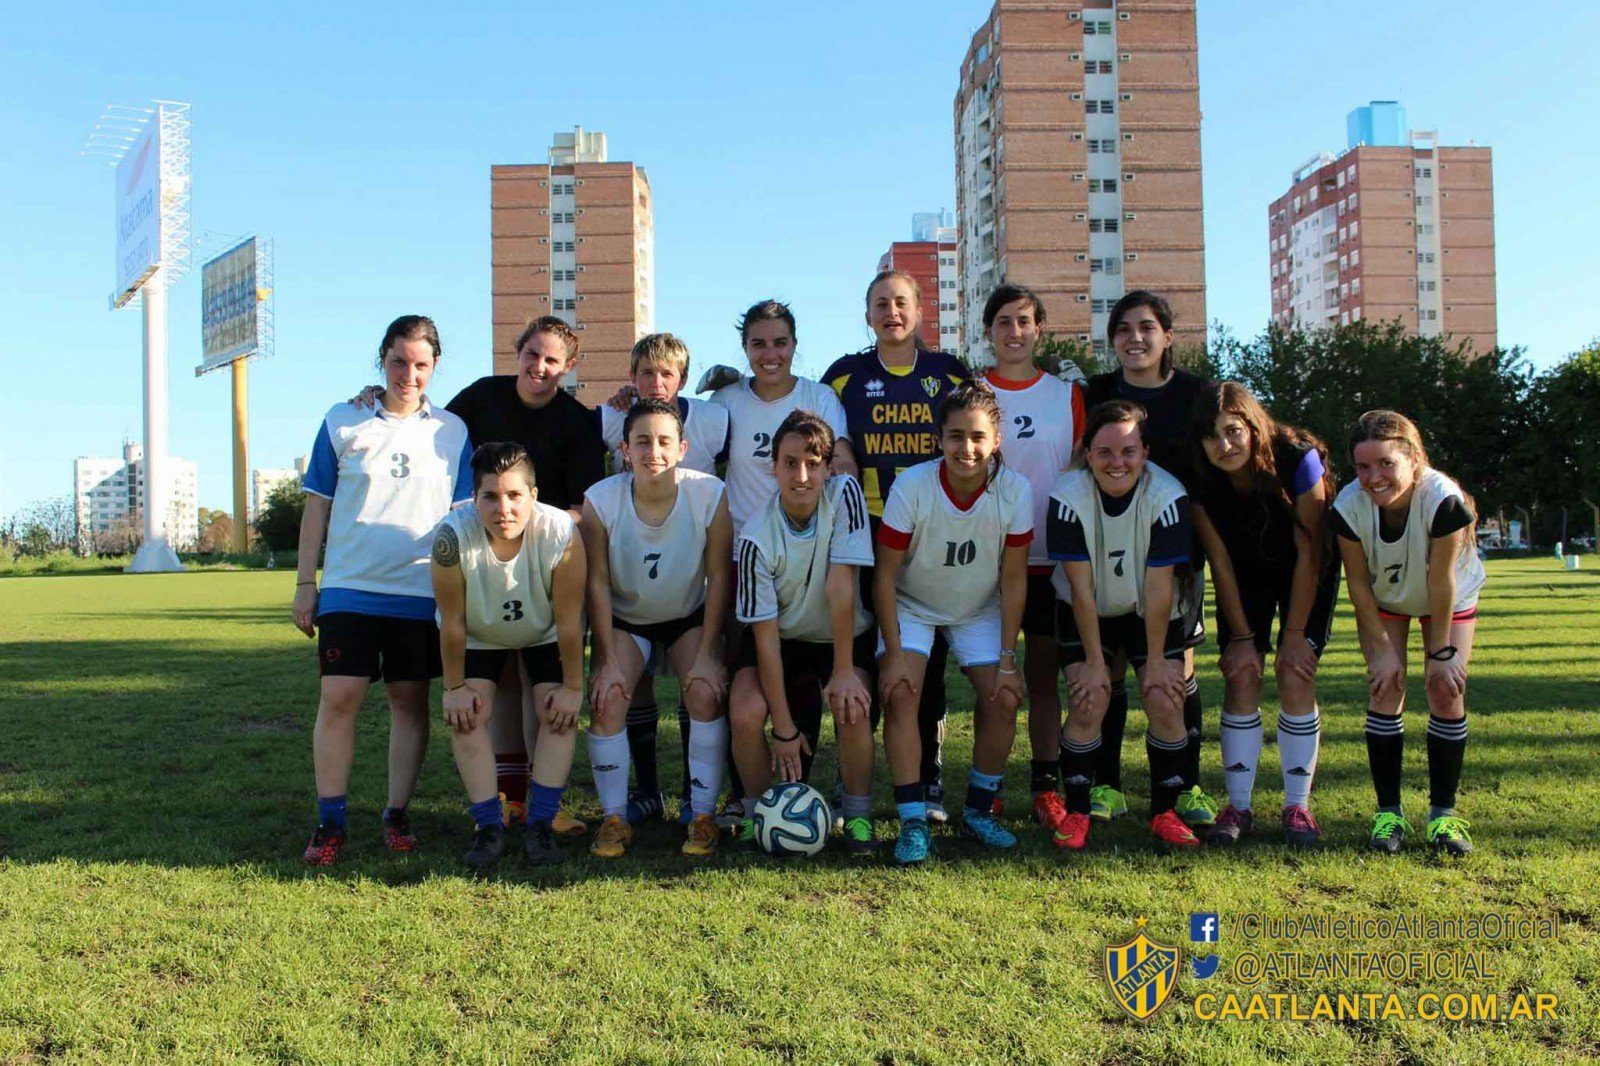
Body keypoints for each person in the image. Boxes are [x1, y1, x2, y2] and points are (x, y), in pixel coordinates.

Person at [294, 315, 474, 866]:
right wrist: (307, 583)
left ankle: (396, 813)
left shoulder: (453, 431)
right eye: (399, 361)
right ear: (382, 359)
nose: (408, 374)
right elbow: (317, 505)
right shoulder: (342, 420)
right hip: (349, 587)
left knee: (408, 702)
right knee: (339, 698)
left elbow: (463, 516)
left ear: (435, 367)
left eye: (421, 364)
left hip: (421, 591)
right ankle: (331, 821)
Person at [443, 317, 606, 836]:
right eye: (532, 354)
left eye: (552, 360)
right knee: (500, 683)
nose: (540, 367)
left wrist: (539, 535)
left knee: (545, 685)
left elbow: (582, 505)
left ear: (569, 366)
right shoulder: (480, 398)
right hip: (481, 554)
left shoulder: (577, 422)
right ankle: (508, 799)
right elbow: (430, 434)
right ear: (518, 352)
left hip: (545, 558)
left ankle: (544, 804)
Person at [822, 269, 970, 822]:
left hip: (930, 535)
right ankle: (851, 781)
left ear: (920, 311)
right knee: (860, 660)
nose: (892, 312)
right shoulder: (843, 376)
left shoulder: (949, 372)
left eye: (902, 302)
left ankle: (928, 781)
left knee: (925, 664)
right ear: (867, 315)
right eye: (881, 303)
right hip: (864, 535)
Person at [706, 299, 853, 826]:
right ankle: (744, 796)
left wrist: (842, 523)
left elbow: (840, 462)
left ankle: (798, 792)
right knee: (739, 683)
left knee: (800, 682)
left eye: (780, 342)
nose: (770, 354)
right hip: (746, 558)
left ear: (795, 344)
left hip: (809, 551)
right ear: (745, 348)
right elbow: (676, 431)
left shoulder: (818, 397)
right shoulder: (724, 401)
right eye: (758, 343)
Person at [875, 380, 1031, 865]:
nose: (968, 448)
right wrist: (897, 654)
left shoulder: (1015, 490)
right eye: (956, 436)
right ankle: (913, 818)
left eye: (978, 437)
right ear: (939, 438)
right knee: (901, 692)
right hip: (912, 604)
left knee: (1004, 696)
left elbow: (1014, 579)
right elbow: (883, 576)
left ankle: (979, 811)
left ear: (996, 440)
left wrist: (1008, 658)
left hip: (977, 609)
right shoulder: (914, 485)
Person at [1083, 291, 1215, 828]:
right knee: (1109, 665)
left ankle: (1189, 784)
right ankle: (1107, 786)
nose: (1134, 338)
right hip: (1106, 550)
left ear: (1167, 337)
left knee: (1176, 671)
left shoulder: (1198, 395)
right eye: (1123, 329)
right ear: (1112, 340)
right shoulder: (1094, 394)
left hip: (1176, 552)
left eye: (1146, 327)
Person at [1189, 382, 1339, 848]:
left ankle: (1298, 806)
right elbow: (1219, 560)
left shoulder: (1298, 459)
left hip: (1304, 569)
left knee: (1295, 671)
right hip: (1243, 572)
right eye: (1212, 436)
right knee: (1241, 673)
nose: (1224, 445)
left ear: (1254, 427)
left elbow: (1310, 549)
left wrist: (1295, 632)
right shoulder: (1198, 474)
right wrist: (1239, 636)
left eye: (1233, 431)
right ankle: (1239, 806)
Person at [1048, 400, 1202, 850]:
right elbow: (1081, 590)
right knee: (1089, 696)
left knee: (1164, 695)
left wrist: (1156, 661)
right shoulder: (1067, 496)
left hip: (1148, 610)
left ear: (1145, 453)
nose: (1117, 462)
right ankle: (1076, 813)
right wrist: (1095, 662)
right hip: (1086, 609)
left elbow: (1158, 588)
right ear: (1088, 453)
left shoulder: (1167, 496)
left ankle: (1164, 813)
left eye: (1129, 451)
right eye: (1105, 452)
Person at [582, 399, 732, 859]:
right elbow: (597, 581)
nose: (654, 451)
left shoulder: (709, 493)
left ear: (682, 447)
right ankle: (614, 819)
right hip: (628, 618)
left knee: (705, 692)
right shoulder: (601, 498)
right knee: (607, 699)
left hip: (688, 614)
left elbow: (721, 575)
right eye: (642, 441)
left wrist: (708, 652)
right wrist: (605, 660)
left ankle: (703, 814)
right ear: (624, 449)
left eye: (664, 441)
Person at [1331, 410, 1484, 857]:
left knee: (1445, 689)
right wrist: (1379, 651)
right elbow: (1358, 584)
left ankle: (1443, 816)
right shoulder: (1348, 507)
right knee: (1386, 687)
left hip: (1448, 598)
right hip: (1388, 598)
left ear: (1414, 459)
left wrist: (1441, 652)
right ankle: (1389, 813)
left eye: (1385, 464)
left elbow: (1441, 583)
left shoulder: (1443, 500)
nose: (1374, 477)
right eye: (1363, 467)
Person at [431, 443, 587, 869]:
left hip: (545, 632)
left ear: (533, 496)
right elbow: (452, 621)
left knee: (556, 711)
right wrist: (453, 688)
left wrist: (574, 688)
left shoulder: (559, 531)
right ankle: (488, 827)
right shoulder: (450, 536)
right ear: (472, 498)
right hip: (479, 634)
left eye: (515, 495)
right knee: (467, 715)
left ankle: (540, 824)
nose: (504, 508)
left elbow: (570, 620)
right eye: (491, 497)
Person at [728, 411, 878, 856]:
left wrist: (846, 670)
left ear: (830, 467)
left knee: (852, 705)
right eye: (790, 463)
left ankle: (857, 817)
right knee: (745, 711)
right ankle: (761, 812)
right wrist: (786, 730)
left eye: (814, 463)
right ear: (772, 466)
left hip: (842, 635)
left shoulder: (845, 493)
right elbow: (766, 639)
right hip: (785, 642)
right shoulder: (756, 537)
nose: (802, 475)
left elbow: (841, 587)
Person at [979, 283, 1087, 845]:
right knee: (991, 680)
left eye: (1024, 321)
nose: (1013, 331)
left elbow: (1080, 468)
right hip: (988, 561)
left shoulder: (1066, 395)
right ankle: (987, 783)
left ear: (1039, 329)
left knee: (1044, 678)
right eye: (1003, 322)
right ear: (989, 331)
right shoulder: (973, 392)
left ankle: (1046, 785)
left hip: (1051, 557)